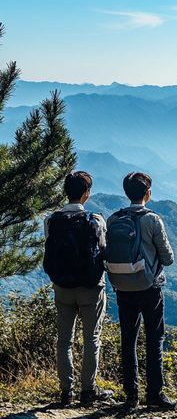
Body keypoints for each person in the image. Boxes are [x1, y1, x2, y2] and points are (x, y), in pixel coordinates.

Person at [107, 172, 176, 408]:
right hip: (150, 288)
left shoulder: (113, 219)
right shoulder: (152, 220)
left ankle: (130, 394)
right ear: (148, 192)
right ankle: (154, 394)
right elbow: (168, 258)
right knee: (155, 340)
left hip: (123, 287)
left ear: (127, 193)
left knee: (129, 340)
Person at [44, 171, 113, 405]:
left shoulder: (52, 220)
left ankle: (66, 392)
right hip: (91, 287)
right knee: (91, 339)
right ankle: (88, 390)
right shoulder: (95, 220)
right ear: (86, 193)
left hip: (62, 286)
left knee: (64, 340)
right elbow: (104, 251)